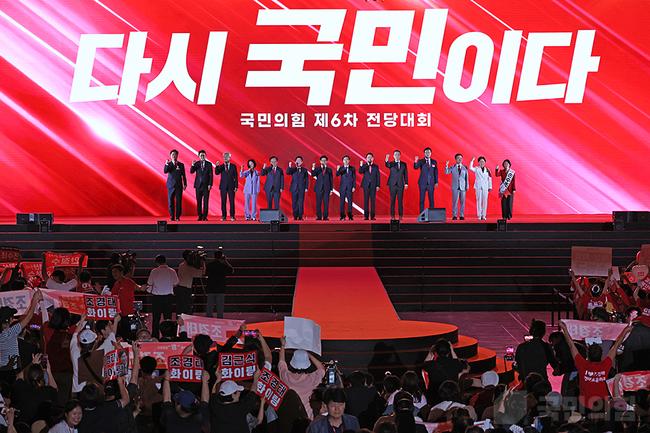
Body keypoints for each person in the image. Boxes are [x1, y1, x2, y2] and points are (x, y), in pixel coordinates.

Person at [559, 320, 632, 411]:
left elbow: (571, 345)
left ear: (587, 355)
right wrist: (625, 331)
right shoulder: (605, 365)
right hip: (602, 406)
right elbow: (615, 346)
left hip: (585, 406)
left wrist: (564, 329)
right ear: (601, 355)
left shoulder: (582, 364)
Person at [279, 337, 326, 418]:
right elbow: (321, 368)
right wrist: (308, 354)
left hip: (291, 418)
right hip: (308, 417)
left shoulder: (286, 376)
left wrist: (283, 346)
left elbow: (281, 363)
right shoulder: (312, 379)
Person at [0, 289, 42, 371]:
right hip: (10, 369)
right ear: (9, 320)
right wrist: (34, 301)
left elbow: (24, 318)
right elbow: (28, 318)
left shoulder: (3, 333)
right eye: (12, 317)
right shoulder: (10, 332)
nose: (14, 319)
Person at [209, 369, 262, 433]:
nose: (239, 393)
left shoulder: (215, 406)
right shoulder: (239, 409)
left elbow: (213, 392)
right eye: (238, 391)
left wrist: (218, 379)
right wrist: (256, 378)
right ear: (232, 395)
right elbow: (253, 393)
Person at [11, 353, 58, 426]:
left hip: (23, 426)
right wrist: (49, 371)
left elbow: (18, 377)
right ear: (41, 380)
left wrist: (32, 363)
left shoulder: (21, 388)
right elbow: (55, 389)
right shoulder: (47, 392)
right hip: (41, 427)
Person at [161, 369, 209, 433]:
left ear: (179, 406)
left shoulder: (169, 416)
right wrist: (205, 381)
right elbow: (205, 399)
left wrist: (166, 379)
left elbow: (166, 398)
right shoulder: (199, 417)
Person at [422, 339, 466, 404]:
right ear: (449, 352)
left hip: (435, 399)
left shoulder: (431, 364)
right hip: (453, 399)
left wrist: (431, 352)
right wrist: (452, 349)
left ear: (436, 352)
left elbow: (425, 364)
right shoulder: (455, 364)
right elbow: (458, 363)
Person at [145, 255, 179, 339]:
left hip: (157, 298)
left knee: (156, 319)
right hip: (168, 297)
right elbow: (176, 283)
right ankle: (169, 336)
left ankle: (155, 337)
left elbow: (149, 283)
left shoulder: (154, 271)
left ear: (157, 262)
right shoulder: (172, 271)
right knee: (168, 318)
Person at [204, 249, 234, 318]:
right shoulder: (223, 265)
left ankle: (208, 321)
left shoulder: (209, 265)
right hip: (220, 289)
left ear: (214, 256)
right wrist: (225, 261)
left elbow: (204, 273)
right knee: (220, 309)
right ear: (221, 257)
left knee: (209, 308)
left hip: (211, 288)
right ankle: (219, 321)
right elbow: (232, 270)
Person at [176, 250, 205, 315]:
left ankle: (180, 319)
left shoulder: (181, 265)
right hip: (185, 289)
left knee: (180, 307)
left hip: (181, 288)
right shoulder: (188, 266)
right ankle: (184, 319)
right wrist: (202, 262)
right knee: (186, 307)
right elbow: (201, 273)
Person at [189, 149, 213, 221]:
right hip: (198, 186)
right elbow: (191, 172)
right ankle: (200, 216)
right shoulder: (196, 164)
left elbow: (211, 175)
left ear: (205, 156)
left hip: (206, 186)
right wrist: (192, 165)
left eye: (203, 155)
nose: (202, 156)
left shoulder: (209, 164)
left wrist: (210, 184)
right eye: (201, 155)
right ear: (198, 156)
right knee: (198, 201)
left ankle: (205, 217)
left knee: (206, 202)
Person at [164, 149, 187, 221]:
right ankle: (172, 216)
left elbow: (183, 175)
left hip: (179, 186)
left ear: (177, 155)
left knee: (178, 202)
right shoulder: (169, 164)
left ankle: (177, 217)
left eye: (175, 154)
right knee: (170, 202)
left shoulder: (181, 165)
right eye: (172, 154)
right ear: (170, 156)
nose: (174, 156)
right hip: (170, 186)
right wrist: (166, 164)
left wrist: (185, 184)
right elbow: (165, 171)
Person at [444, 153, 469, 220]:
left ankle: (461, 215)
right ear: (455, 159)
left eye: (461, 158)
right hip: (455, 187)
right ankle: (454, 215)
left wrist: (467, 186)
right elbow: (446, 172)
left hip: (463, 187)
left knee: (462, 202)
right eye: (458, 158)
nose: (459, 159)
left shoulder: (465, 167)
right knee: (455, 202)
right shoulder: (453, 167)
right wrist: (446, 166)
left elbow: (466, 178)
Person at [214, 152, 238, 221]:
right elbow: (217, 173)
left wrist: (236, 186)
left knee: (232, 202)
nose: (225, 158)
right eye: (224, 157)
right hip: (223, 187)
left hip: (231, 186)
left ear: (229, 158)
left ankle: (232, 216)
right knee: (223, 202)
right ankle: (224, 216)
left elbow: (236, 177)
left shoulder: (233, 166)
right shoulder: (221, 166)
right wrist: (217, 166)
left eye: (227, 156)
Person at [414, 147, 438, 213]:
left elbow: (435, 172)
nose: (428, 153)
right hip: (422, 183)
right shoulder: (421, 161)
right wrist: (415, 161)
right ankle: (422, 214)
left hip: (431, 183)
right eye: (426, 152)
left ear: (431, 153)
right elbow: (415, 167)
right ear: (424, 153)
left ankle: (432, 214)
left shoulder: (434, 162)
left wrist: (436, 182)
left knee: (431, 199)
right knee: (422, 199)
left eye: (429, 152)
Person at [385, 150, 408, 220]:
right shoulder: (391, 163)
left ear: (400, 155)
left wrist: (406, 183)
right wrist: (386, 160)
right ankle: (392, 216)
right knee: (392, 201)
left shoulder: (404, 164)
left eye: (398, 154)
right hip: (392, 184)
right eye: (395, 154)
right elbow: (387, 165)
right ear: (393, 156)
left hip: (400, 184)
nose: (397, 156)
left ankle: (400, 216)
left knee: (400, 201)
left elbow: (405, 174)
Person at [469, 156, 492, 220]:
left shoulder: (487, 169)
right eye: (480, 161)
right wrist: (472, 161)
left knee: (485, 201)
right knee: (479, 201)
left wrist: (490, 187)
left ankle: (484, 215)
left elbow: (490, 178)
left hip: (485, 187)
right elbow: (470, 168)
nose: (482, 162)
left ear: (485, 162)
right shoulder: (476, 169)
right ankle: (479, 215)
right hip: (478, 187)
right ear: (478, 162)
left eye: (483, 161)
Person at [287, 156, 309, 220]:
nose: (298, 161)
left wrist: (306, 187)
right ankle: (295, 216)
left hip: (302, 188)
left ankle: (300, 216)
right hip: (294, 188)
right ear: (295, 161)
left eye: (299, 160)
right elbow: (288, 172)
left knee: (301, 202)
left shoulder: (304, 170)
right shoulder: (293, 169)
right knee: (294, 203)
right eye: (297, 160)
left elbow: (307, 179)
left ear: (302, 162)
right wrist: (289, 166)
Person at [359, 153, 380, 220]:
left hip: (373, 185)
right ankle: (366, 216)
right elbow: (360, 171)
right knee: (366, 201)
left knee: (373, 201)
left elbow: (378, 176)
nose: (369, 158)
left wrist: (378, 185)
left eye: (370, 157)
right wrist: (361, 165)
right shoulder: (364, 166)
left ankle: (373, 216)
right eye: (368, 157)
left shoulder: (376, 166)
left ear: (373, 158)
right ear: (366, 158)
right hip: (366, 185)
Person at [312, 156, 334, 221]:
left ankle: (325, 217)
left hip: (327, 189)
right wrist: (313, 168)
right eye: (322, 160)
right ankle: (319, 216)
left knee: (326, 203)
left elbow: (331, 180)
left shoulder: (329, 170)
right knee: (318, 203)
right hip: (319, 188)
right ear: (320, 161)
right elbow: (313, 175)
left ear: (327, 161)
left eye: (325, 160)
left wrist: (331, 189)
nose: (323, 161)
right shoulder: (317, 169)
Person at [336, 155, 356, 221]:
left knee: (350, 202)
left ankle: (350, 216)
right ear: (343, 161)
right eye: (344, 159)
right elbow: (337, 174)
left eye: (347, 159)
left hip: (350, 187)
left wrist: (354, 186)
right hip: (342, 187)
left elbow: (354, 178)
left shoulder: (352, 168)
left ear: (349, 160)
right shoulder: (341, 168)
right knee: (342, 202)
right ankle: (342, 216)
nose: (346, 161)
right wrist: (337, 169)